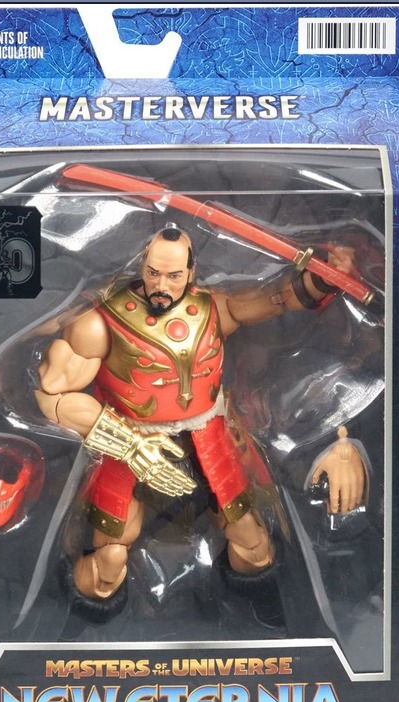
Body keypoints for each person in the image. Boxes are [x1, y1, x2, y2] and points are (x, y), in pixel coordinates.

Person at [35, 224, 367, 612]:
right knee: (106, 565)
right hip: (132, 449)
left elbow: (276, 298)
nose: (161, 285)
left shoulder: (213, 309)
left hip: (207, 443)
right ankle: (88, 613)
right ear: (142, 265)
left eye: (174, 275)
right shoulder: (101, 323)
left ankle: (255, 612)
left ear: (191, 271)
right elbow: (51, 394)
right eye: (153, 273)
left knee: (256, 551)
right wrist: (128, 444)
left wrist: (324, 278)